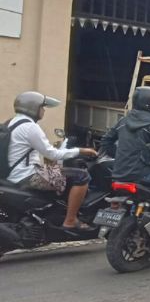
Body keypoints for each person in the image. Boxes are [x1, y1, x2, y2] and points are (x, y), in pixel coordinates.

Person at [6, 92, 97, 229]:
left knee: (61, 174)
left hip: (12, 175)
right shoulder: (30, 127)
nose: (43, 110)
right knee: (81, 176)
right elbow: (52, 154)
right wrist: (81, 151)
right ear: (33, 107)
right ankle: (71, 220)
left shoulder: (11, 123)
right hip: (28, 176)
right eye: (42, 107)